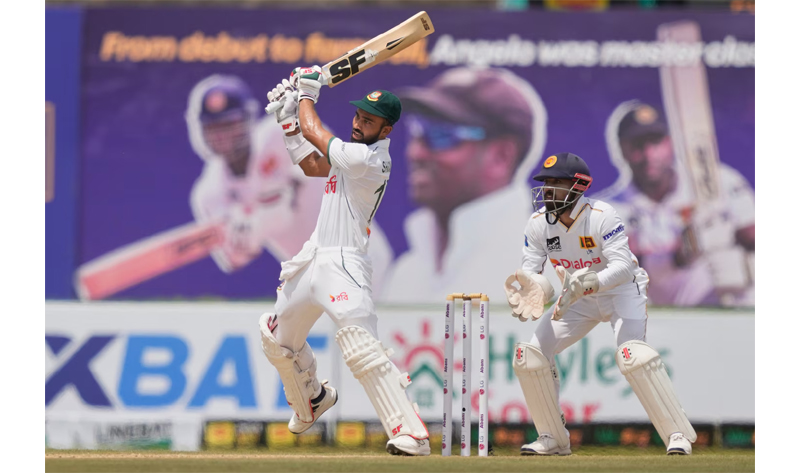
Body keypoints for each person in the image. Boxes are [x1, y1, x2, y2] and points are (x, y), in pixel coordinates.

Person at [256, 68, 430, 456]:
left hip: (344, 264)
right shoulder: (348, 157)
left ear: (386, 130)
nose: (357, 123)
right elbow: (310, 164)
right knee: (276, 339)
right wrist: (287, 119)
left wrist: (306, 95)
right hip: (313, 257)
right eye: (357, 115)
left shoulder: (369, 160)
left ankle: (411, 434)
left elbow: (315, 131)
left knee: (360, 346)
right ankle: (312, 399)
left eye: (368, 121)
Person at [504, 152, 696, 456]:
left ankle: (678, 434)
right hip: (576, 297)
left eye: (556, 183)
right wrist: (532, 288)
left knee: (633, 355)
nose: (548, 190)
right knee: (530, 356)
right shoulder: (538, 223)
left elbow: (623, 267)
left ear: (578, 186)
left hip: (621, 292)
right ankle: (553, 437)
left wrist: (591, 282)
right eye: (546, 182)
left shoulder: (602, 215)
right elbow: (531, 270)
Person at [185, 74, 394, 293]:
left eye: (230, 125)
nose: (223, 136)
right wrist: (240, 239)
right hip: (316, 281)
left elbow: (294, 198)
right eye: (213, 128)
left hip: (364, 258)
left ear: (248, 120)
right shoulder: (208, 193)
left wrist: (257, 222)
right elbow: (233, 259)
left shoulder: (282, 132)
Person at [380, 67, 560, 303]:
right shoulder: (407, 274)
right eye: (417, 130)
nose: (416, 153)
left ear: (501, 156)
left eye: (441, 135)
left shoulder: (540, 272)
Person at [597, 100, 754, 306]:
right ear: (622, 149)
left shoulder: (718, 182)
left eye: (655, 142)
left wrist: (722, 237)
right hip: (667, 316)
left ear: (670, 143)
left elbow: (753, 234)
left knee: (730, 261)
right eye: (638, 145)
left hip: (732, 307)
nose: (649, 155)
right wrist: (679, 253)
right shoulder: (610, 209)